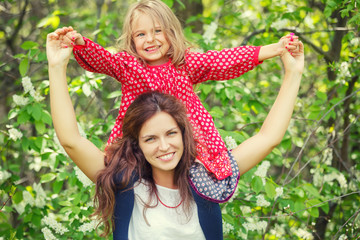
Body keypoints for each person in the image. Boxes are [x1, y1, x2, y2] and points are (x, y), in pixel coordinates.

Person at [47, 22, 304, 239]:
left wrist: (293, 72)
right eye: (150, 138)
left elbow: (268, 137)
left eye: (171, 133)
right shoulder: (123, 182)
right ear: (137, 143)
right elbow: (71, 141)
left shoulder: (209, 178)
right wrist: (57, 67)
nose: (164, 146)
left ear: (185, 133)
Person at [53, 0, 300, 186]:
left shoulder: (185, 65)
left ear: (171, 32)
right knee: (129, 175)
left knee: (194, 165)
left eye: (157, 31)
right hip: (139, 148)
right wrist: (80, 43)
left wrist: (272, 49)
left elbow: (222, 61)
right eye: (141, 34)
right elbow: (103, 60)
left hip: (185, 147)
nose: (150, 40)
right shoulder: (129, 66)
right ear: (132, 39)